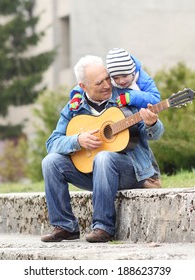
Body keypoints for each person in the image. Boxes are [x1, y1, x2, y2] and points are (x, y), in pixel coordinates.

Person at [41, 55, 164, 243]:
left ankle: (103, 227)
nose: (108, 85)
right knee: (50, 162)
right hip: (92, 174)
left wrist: (152, 122)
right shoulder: (74, 106)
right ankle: (65, 226)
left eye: (108, 78)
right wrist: (77, 140)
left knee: (104, 158)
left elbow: (154, 134)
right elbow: (52, 143)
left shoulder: (125, 97)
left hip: (130, 170)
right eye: (100, 83)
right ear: (83, 86)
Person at [69, 48, 161, 110]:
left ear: (132, 71)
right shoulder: (108, 77)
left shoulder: (142, 79)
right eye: (116, 78)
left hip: (138, 118)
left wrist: (131, 97)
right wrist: (77, 95)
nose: (121, 81)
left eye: (125, 76)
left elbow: (156, 98)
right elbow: (89, 83)